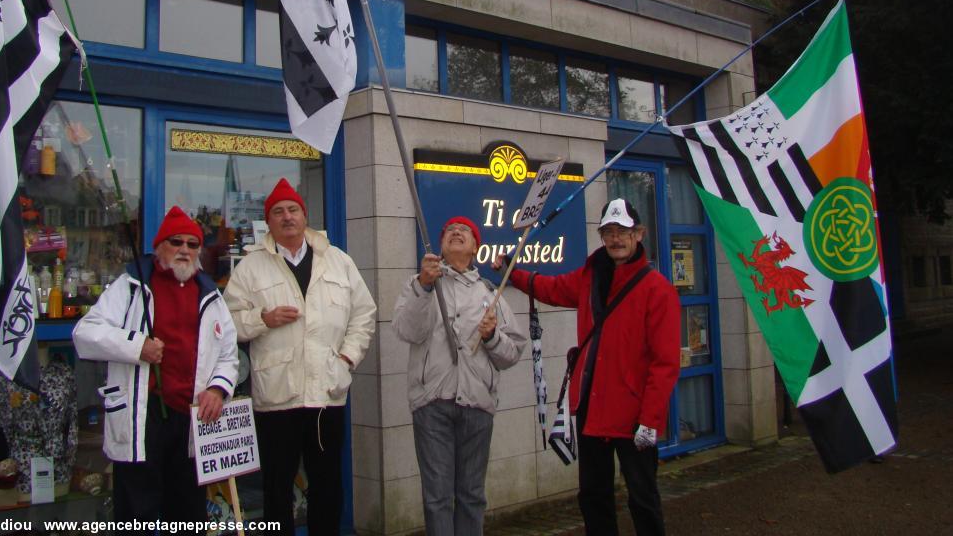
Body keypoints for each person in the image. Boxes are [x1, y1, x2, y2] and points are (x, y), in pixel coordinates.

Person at [501, 198, 680, 536]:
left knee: (643, 498)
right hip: (592, 410)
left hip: (633, 414)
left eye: (623, 231)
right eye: (609, 231)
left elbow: (665, 363)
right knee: (594, 496)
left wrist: (651, 419)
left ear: (639, 234)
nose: (616, 239)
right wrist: (513, 271)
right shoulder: (589, 276)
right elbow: (550, 288)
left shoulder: (658, 291)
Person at [224, 178, 376, 536]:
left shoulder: (338, 261)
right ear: (269, 222)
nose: (286, 217)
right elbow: (226, 322)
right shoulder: (251, 267)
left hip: (327, 393)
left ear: (304, 217)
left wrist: (347, 360)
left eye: (293, 210)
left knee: (327, 484)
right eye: (278, 212)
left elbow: (364, 314)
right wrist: (262, 320)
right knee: (277, 487)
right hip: (278, 396)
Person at [73, 206, 239, 523]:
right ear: (159, 246)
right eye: (176, 242)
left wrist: (218, 389)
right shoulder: (129, 286)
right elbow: (85, 334)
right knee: (137, 514)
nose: (184, 250)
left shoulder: (210, 295)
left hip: (190, 420)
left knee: (187, 516)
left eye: (192, 245)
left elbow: (228, 354)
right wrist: (137, 346)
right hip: (144, 418)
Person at [392, 216, 526, 536]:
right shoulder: (420, 284)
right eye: (449, 229)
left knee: (471, 495)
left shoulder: (490, 292)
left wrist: (492, 336)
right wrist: (424, 287)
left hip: (477, 404)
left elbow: (512, 353)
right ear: (440, 245)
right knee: (437, 497)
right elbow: (408, 330)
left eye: (464, 230)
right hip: (432, 403)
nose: (455, 232)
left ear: (476, 247)